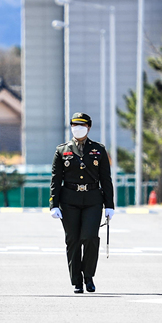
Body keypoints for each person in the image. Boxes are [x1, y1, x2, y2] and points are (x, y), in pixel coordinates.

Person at [49, 112, 114, 293]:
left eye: (82, 125)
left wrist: (110, 205)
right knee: (73, 240)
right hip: (69, 200)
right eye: (74, 125)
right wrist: (53, 204)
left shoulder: (98, 150)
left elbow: (106, 179)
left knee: (90, 238)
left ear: (88, 127)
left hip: (93, 199)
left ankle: (89, 276)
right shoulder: (62, 150)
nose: (78, 128)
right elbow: (56, 179)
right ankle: (77, 281)